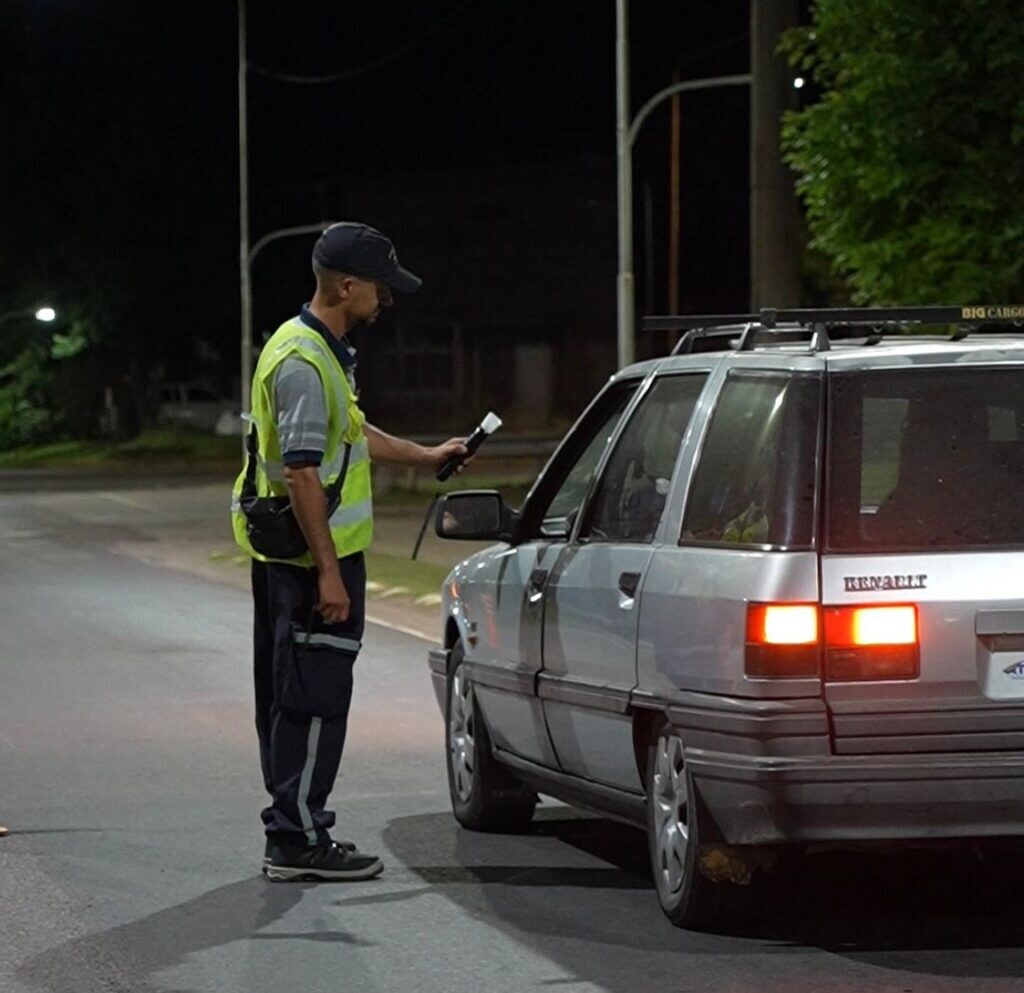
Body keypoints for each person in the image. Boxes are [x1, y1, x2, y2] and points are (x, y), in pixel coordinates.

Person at [231, 222, 467, 882]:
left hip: (303, 558)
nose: (386, 301)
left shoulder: (316, 350)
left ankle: (295, 827)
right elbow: (303, 473)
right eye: (381, 289)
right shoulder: (305, 364)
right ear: (346, 286)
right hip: (312, 565)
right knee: (312, 698)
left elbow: (351, 433)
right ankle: (298, 836)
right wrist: (330, 572)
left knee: (300, 693)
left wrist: (425, 454)